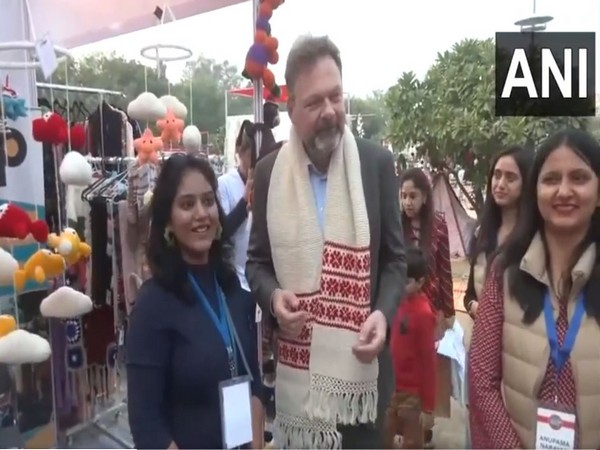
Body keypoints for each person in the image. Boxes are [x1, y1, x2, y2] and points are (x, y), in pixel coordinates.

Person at [246, 34, 406, 449]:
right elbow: (257, 263)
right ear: (291, 110)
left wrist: (383, 315)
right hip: (299, 390)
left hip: (362, 378)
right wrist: (273, 297)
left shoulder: (375, 164)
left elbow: (394, 260)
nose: (330, 111)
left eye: (336, 96)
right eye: (315, 102)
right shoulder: (267, 175)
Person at [468, 129, 600, 449]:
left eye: (579, 178)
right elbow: (482, 379)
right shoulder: (505, 273)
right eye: (551, 179)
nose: (564, 191)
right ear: (535, 191)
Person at [126, 154, 264, 449]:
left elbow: (254, 384)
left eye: (208, 201)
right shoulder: (153, 305)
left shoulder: (235, 291)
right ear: (168, 222)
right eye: (187, 204)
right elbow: (146, 423)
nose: (202, 213)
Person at [399, 167, 454, 447]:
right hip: (402, 307)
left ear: (424, 198)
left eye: (413, 196)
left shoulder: (439, 225)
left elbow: (444, 268)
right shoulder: (396, 226)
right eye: (404, 195)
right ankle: (404, 423)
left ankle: (426, 418)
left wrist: (448, 311)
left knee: (429, 364)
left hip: (430, 308)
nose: (408, 202)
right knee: (406, 362)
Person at [463, 146, 534, 321]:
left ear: (527, 183)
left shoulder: (536, 239)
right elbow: (469, 294)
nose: (500, 184)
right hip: (481, 339)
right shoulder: (482, 232)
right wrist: (474, 307)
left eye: (511, 178)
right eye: (497, 175)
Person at [383, 247, 436, 449]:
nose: (400, 284)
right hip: (391, 387)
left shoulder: (423, 314)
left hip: (412, 395)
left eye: (407, 281)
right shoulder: (394, 302)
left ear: (421, 282)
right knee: (384, 438)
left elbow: (428, 362)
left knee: (412, 442)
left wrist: (428, 406)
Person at [218, 121, 253, 288]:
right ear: (240, 151)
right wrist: (244, 201)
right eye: (249, 155)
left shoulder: (268, 182)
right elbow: (222, 230)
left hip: (260, 274)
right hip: (236, 275)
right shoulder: (224, 184)